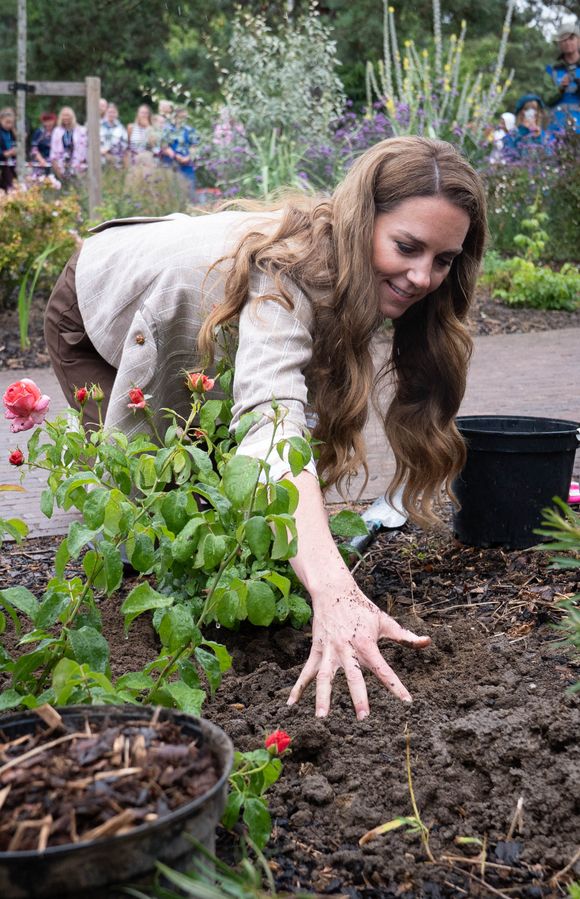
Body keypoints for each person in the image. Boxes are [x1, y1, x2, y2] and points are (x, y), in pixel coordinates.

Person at [44, 136, 487, 719]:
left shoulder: (360, 275)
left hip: (195, 317)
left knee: (219, 481)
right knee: (150, 499)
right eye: (407, 246)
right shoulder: (288, 272)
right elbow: (273, 425)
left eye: (444, 259)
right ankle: (148, 649)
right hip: (100, 303)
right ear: (361, 221)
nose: (422, 276)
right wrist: (332, 589)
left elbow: (278, 420)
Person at [546, 20, 580, 133]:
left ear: (578, 41)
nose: (567, 43)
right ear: (559, 44)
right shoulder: (551, 69)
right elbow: (546, 99)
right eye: (563, 40)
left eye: (571, 38)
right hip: (557, 128)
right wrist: (560, 89)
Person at [159, 106, 198, 194]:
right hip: (171, 164)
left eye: (185, 117)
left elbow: (194, 146)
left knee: (189, 191)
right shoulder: (168, 130)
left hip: (187, 165)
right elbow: (164, 146)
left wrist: (188, 157)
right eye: (181, 117)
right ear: (175, 117)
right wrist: (176, 156)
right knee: (171, 192)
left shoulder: (190, 130)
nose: (183, 120)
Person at [50, 106, 87, 180]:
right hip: (61, 167)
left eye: (67, 115)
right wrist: (57, 170)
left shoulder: (81, 130)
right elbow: (53, 152)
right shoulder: (57, 131)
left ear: (72, 117)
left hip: (78, 168)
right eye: (63, 115)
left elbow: (85, 149)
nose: (65, 117)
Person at [99, 103, 128, 167]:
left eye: (113, 112)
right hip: (99, 161)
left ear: (117, 114)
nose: (111, 114)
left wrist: (109, 149)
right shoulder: (98, 126)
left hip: (116, 163)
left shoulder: (121, 128)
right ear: (106, 113)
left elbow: (124, 146)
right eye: (109, 112)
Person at [0, 106, 17, 192]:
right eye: (7, 122)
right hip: (2, 165)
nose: (9, 125)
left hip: (11, 165)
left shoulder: (12, 132)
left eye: (11, 123)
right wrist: (7, 153)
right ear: (1, 119)